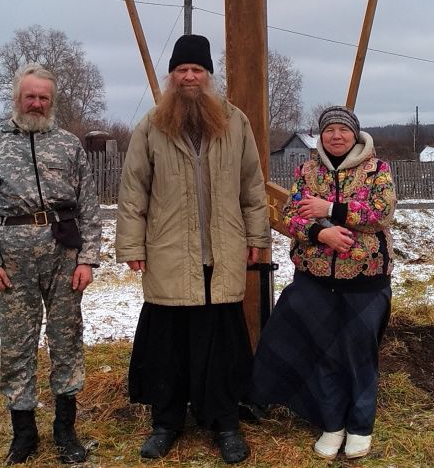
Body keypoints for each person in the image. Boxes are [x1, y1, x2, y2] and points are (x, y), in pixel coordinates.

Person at [115, 34, 270, 465]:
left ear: (208, 76)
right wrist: (131, 242)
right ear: (172, 77)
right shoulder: (152, 124)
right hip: (168, 252)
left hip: (222, 252)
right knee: (168, 347)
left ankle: (224, 423)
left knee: (221, 345)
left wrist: (257, 238)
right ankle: (166, 424)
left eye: (196, 70)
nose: (189, 77)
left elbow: (251, 186)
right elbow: (133, 191)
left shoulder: (234, 122)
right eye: (181, 70)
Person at [0, 63, 102, 465]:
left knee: (66, 340)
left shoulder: (68, 144)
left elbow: (89, 205)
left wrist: (88, 259)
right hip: (13, 258)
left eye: (44, 97)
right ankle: (23, 433)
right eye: (31, 96)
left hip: (63, 255)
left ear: (52, 100)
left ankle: (65, 430)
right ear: (17, 97)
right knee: (16, 345)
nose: (37, 103)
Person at [249, 105, 396, 461]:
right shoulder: (307, 171)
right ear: (321, 136)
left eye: (342, 130)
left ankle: (360, 426)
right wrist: (322, 234)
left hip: (365, 280)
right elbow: (290, 216)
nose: (336, 136)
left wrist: (329, 209)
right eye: (329, 130)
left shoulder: (377, 170)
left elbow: (382, 213)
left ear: (355, 135)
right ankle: (333, 424)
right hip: (315, 279)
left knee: (359, 355)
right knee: (325, 354)